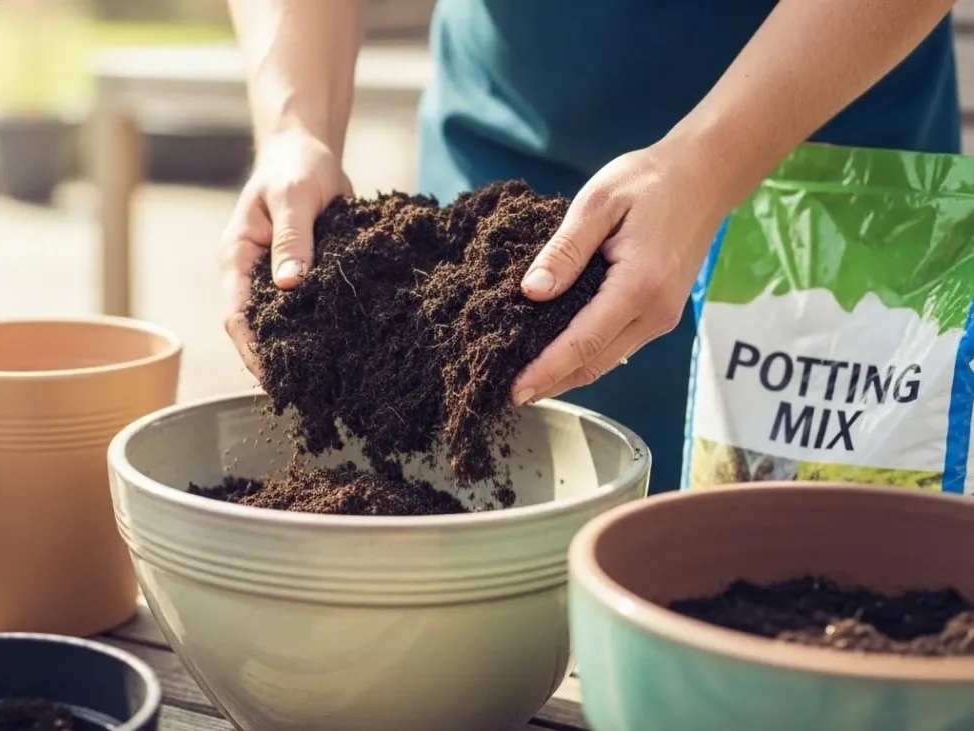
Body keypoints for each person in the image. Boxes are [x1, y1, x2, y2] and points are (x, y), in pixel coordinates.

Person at [219, 0, 961, 495]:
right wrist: (295, 126)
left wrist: (708, 163)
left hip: (817, 162)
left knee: (807, 584)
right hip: (506, 170)